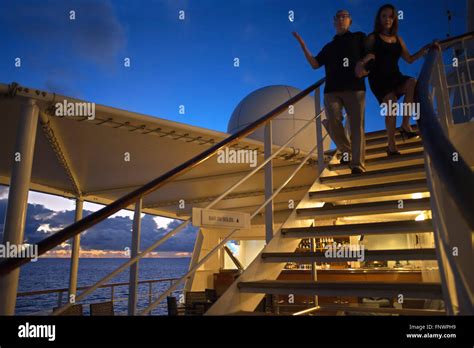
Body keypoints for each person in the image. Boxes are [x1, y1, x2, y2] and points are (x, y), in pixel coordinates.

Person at [293, 10, 371, 174]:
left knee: (357, 126)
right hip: (332, 90)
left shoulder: (359, 37)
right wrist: (303, 46)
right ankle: (347, 152)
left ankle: (357, 164)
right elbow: (315, 64)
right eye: (338, 17)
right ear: (334, 22)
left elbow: (372, 54)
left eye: (345, 16)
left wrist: (364, 67)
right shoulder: (329, 47)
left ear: (350, 21)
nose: (341, 19)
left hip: (355, 87)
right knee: (333, 123)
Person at [360, 3, 439, 156]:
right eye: (384, 16)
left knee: (412, 82)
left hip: (395, 76)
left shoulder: (398, 39)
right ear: (379, 18)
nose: (387, 19)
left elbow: (409, 59)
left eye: (390, 16)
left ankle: (405, 124)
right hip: (378, 78)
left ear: (394, 19)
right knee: (391, 102)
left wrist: (425, 49)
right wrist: (363, 64)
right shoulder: (372, 37)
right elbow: (365, 56)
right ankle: (391, 145)